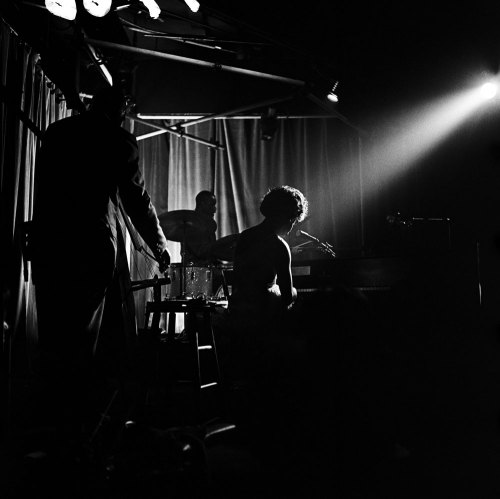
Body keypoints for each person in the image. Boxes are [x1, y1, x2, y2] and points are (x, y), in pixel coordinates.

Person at [29, 84, 171, 450]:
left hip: (48, 241)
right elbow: (136, 198)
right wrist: (158, 245)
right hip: (88, 246)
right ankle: (75, 431)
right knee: (81, 336)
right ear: (121, 110)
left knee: (52, 331)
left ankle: (47, 421)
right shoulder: (118, 140)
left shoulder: (58, 131)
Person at [182, 190, 218, 265]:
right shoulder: (190, 224)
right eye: (212, 205)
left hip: (207, 269)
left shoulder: (209, 225)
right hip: (194, 272)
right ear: (202, 204)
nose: (214, 210)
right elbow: (201, 252)